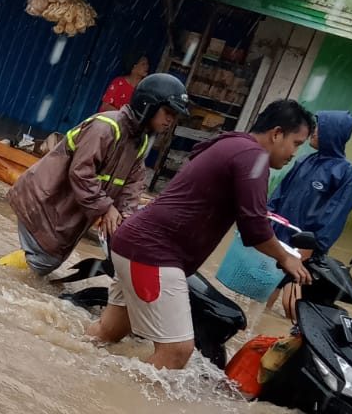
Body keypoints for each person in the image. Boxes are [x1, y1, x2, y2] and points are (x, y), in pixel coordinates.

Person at [86, 100, 315, 370]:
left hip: (134, 243)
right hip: (153, 254)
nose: (294, 154)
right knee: (176, 352)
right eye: (296, 143)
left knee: (107, 332)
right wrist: (285, 258)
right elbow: (253, 227)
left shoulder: (231, 143)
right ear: (276, 134)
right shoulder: (254, 157)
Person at [6, 73, 188, 276]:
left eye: (175, 116)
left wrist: (125, 219)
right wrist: (106, 207)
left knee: (44, 264)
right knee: (41, 262)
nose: (170, 120)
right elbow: (81, 173)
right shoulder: (105, 127)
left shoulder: (139, 141)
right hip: (43, 203)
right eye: (168, 112)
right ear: (148, 104)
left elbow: (132, 186)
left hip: (63, 213)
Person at [266, 111, 352, 314]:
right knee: (264, 289)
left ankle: (291, 329)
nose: (314, 132)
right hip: (278, 237)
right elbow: (280, 193)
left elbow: (335, 217)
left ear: (333, 133)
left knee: (291, 304)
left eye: (320, 128)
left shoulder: (347, 174)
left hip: (305, 247)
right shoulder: (304, 161)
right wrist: (265, 218)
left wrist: (311, 247)